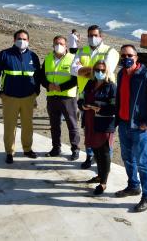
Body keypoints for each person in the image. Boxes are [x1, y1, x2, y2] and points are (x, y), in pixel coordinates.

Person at [115, 44, 147, 212]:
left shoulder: (146, 76)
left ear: (136, 57)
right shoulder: (121, 74)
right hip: (123, 125)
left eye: (129, 55)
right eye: (123, 56)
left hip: (139, 127)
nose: (126, 58)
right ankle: (133, 186)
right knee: (127, 158)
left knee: (142, 163)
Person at [71, 24, 119, 169]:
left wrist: (83, 70)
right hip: (86, 94)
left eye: (95, 35)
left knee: (104, 132)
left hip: (104, 96)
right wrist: (90, 69)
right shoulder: (82, 50)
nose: (92, 38)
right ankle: (89, 156)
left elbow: (106, 69)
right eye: (90, 35)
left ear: (101, 37)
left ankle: (104, 164)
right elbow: (73, 69)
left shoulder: (110, 51)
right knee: (88, 129)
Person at [0, 29, 40, 164]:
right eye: (19, 38)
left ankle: (27, 149)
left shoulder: (33, 56)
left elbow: (37, 76)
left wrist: (36, 92)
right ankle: (9, 152)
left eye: (24, 39)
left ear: (28, 41)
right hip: (10, 97)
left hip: (28, 98)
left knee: (27, 126)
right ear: (14, 40)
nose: (21, 41)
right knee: (10, 126)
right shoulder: (4, 55)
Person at [78, 60, 116, 195]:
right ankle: (99, 175)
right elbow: (81, 97)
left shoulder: (111, 87)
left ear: (107, 72)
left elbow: (113, 106)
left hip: (104, 124)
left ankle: (103, 182)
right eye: (97, 70)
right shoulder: (90, 83)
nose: (99, 72)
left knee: (104, 152)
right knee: (95, 150)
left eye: (102, 70)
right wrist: (82, 105)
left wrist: (98, 107)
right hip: (90, 121)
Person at [41, 35, 80, 160]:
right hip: (52, 97)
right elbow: (41, 77)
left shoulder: (73, 59)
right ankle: (56, 148)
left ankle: (75, 149)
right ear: (53, 45)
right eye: (56, 43)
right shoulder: (47, 59)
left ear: (66, 45)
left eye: (61, 43)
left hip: (67, 98)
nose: (59, 45)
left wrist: (61, 87)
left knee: (72, 124)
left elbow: (76, 79)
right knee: (54, 125)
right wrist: (48, 85)